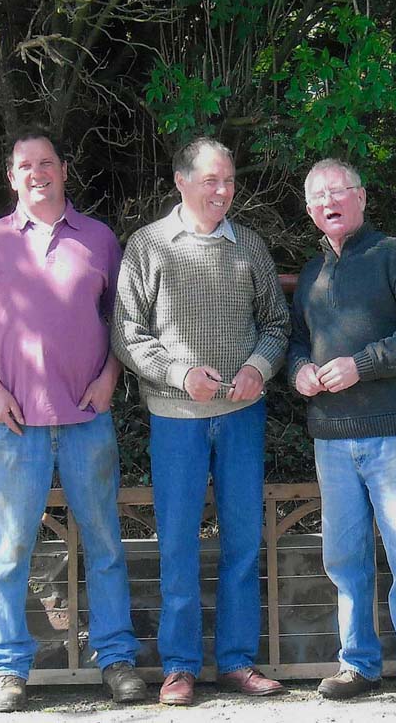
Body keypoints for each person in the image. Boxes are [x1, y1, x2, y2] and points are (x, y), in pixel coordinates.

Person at [0, 129, 145, 712]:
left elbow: (124, 321)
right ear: (11, 178)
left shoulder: (101, 240)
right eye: (23, 166)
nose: (36, 173)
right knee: (9, 550)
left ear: (64, 168)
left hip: (87, 418)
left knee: (106, 544)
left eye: (46, 163)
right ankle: (8, 669)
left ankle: (117, 662)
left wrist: (111, 378)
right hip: (14, 424)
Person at [112, 137, 290, 706]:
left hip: (241, 414)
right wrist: (178, 373)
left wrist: (259, 369)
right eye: (212, 180)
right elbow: (127, 333)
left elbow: (277, 325)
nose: (223, 190)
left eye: (230, 180)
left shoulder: (251, 247)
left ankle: (237, 661)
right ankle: (181, 666)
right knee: (179, 545)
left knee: (242, 541)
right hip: (176, 417)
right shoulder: (147, 246)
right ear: (181, 181)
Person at [288, 158, 396, 703]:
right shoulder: (311, 274)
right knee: (344, 557)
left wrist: (365, 363)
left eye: (339, 191)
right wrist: (299, 372)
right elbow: (293, 343)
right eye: (318, 196)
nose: (329, 202)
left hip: (394, 433)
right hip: (331, 437)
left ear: (361, 197)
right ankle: (357, 665)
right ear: (310, 210)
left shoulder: (395, 256)